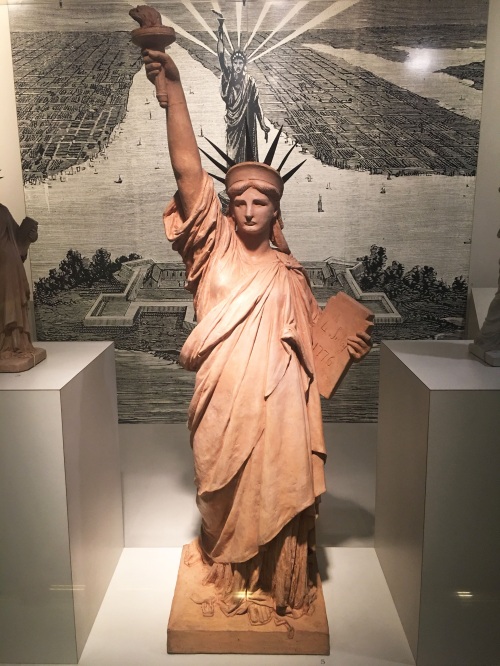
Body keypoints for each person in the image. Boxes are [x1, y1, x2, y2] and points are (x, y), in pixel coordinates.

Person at [143, 48, 371, 626]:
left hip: (281, 408)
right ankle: (227, 567)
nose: (247, 210)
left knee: (278, 482)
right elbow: (188, 172)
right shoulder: (213, 247)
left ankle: (272, 578)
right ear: (227, 207)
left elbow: (315, 351)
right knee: (219, 487)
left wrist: (345, 350)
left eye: (260, 201)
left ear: (275, 211)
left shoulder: (290, 273)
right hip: (224, 399)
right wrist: (174, 93)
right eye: (239, 200)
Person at [217, 24, 270, 163]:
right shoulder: (228, 77)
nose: (238, 66)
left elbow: (256, 104)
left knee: (247, 155)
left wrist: (262, 124)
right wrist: (220, 34)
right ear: (232, 64)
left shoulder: (250, 82)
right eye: (235, 63)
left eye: (240, 63)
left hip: (247, 122)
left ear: (244, 64)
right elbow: (221, 57)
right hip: (233, 124)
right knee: (232, 156)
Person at [0, 205, 41, 367]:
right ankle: (6, 346)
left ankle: (18, 344)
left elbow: (18, 237)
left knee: (15, 301)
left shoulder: (2, 210)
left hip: (11, 262)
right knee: (7, 303)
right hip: (3, 264)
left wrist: (30, 236)